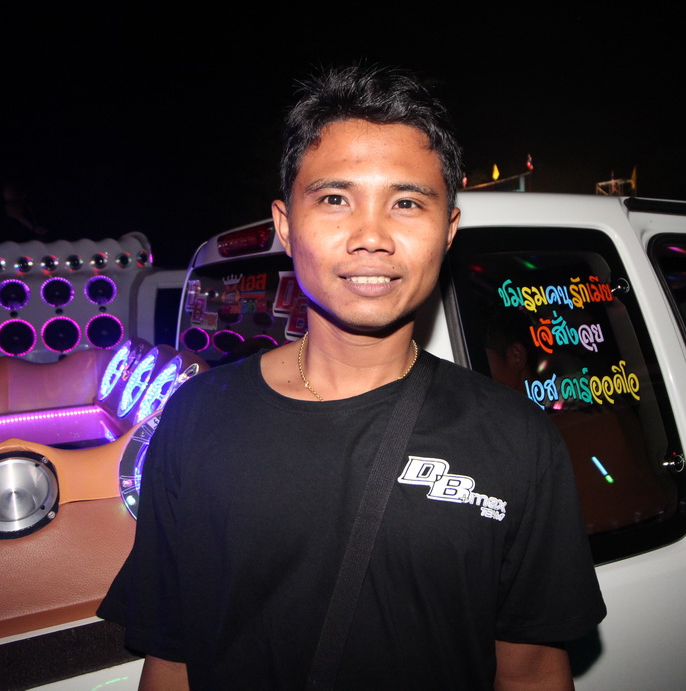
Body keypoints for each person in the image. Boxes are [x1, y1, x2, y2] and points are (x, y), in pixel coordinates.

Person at [99, 65, 605, 690]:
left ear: (448, 231)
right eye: (335, 199)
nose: (371, 237)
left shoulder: (516, 440)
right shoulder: (194, 418)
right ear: (286, 226)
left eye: (406, 203)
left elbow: (531, 672)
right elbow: (171, 662)